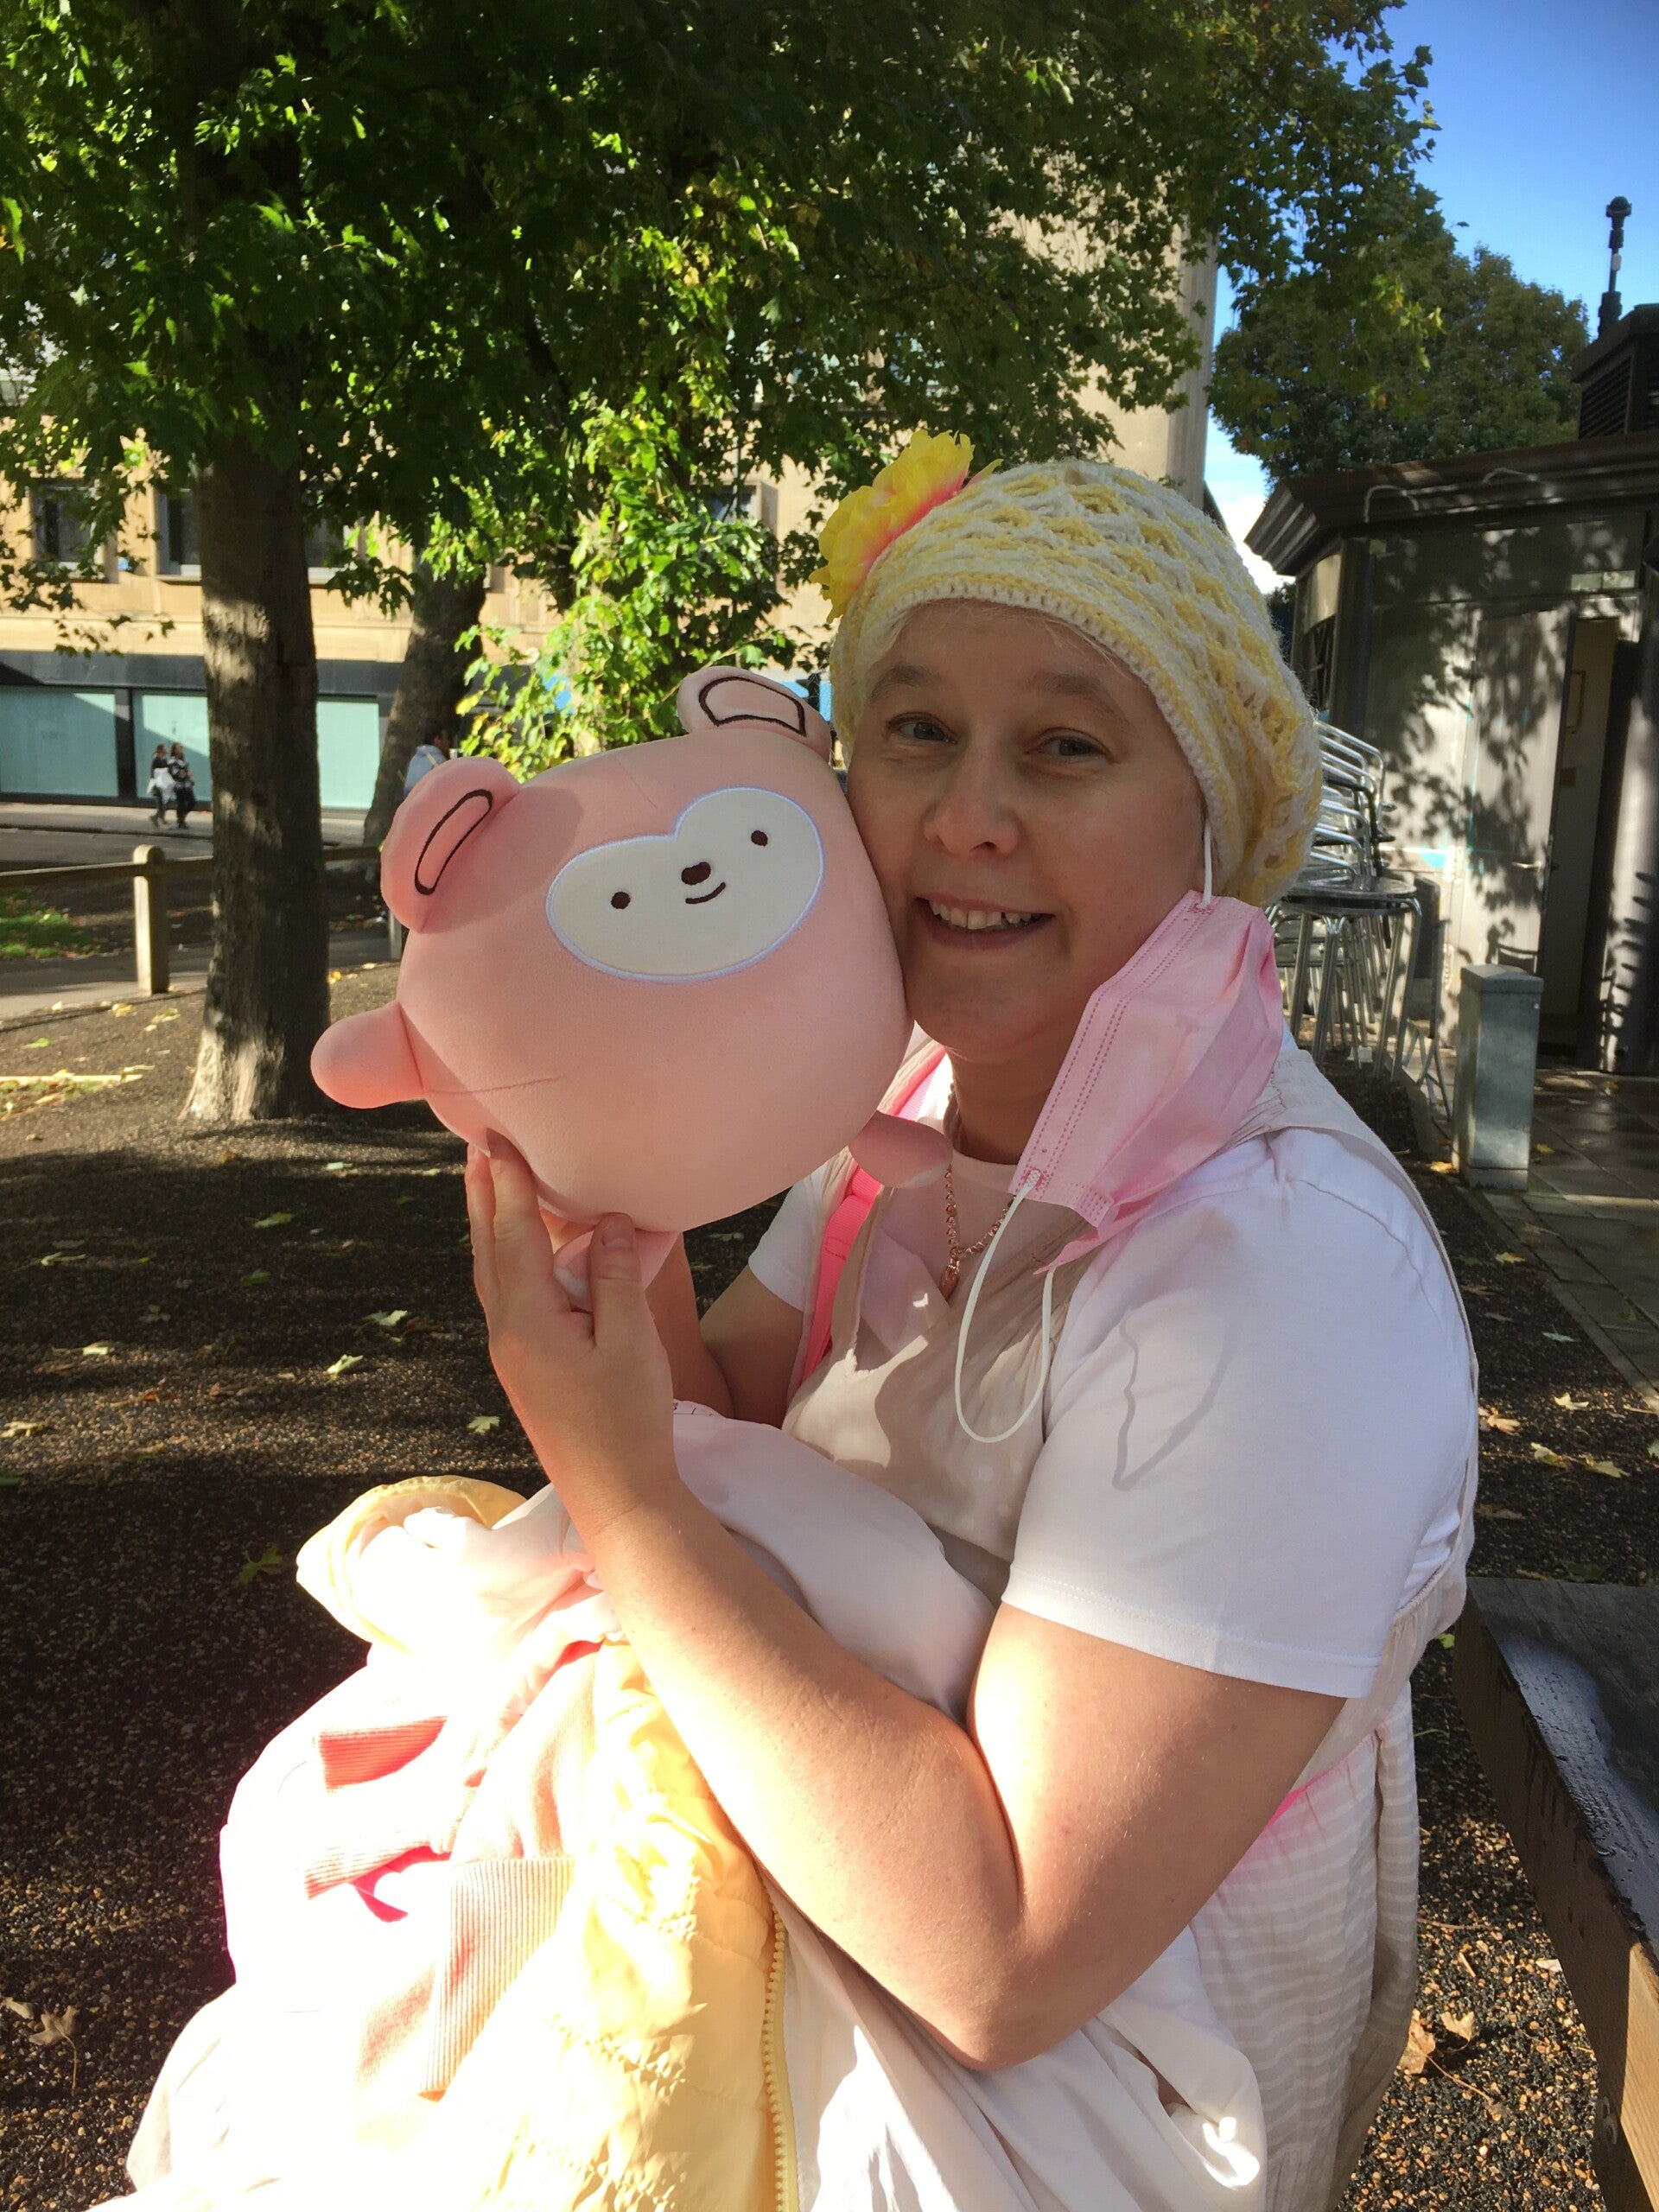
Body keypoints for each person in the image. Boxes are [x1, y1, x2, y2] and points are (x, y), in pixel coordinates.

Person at [461, 450, 1477, 2211]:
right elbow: (731, 1418)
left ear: (1215, 822)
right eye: (916, 729)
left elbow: (1007, 1952)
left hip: (1083, 2111)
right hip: (791, 1953)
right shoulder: (916, 1100)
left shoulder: (1282, 1272)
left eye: (1065, 745)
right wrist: (609, 1227)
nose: (967, 815)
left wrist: (616, 1494)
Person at [402, 726, 452, 795]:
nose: (448, 742)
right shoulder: (439, 760)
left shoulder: (415, 758)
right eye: (446, 739)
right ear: (437, 739)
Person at [168, 741, 197, 829]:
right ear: (174, 750)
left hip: (187, 784)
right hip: (179, 785)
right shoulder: (172, 761)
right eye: (178, 748)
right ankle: (181, 821)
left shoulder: (183, 759)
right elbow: (175, 773)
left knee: (192, 801)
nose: (180, 750)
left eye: (181, 748)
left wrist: (187, 773)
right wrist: (186, 774)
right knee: (181, 803)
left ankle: (182, 818)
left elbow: (185, 770)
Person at [144, 744, 173, 829]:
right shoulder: (156, 760)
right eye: (165, 749)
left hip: (164, 784)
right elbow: (154, 772)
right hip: (159, 784)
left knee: (166, 802)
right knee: (161, 802)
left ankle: (156, 817)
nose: (167, 750)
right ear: (161, 750)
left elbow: (167, 771)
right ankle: (161, 820)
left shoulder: (164, 759)